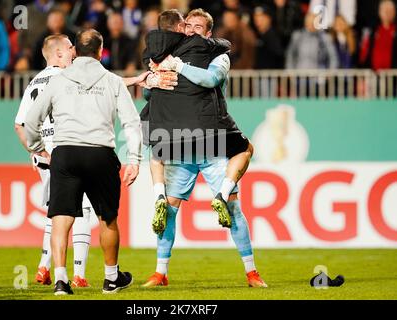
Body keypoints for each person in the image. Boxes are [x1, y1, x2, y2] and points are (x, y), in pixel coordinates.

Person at [141, 8, 266, 289]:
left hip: (211, 142)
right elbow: (151, 94)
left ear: (208, 33)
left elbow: (211, 80)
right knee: (169, 211)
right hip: (181, 144)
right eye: (188, 25)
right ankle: (160, 273)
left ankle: (252, 272)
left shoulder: (217, 55)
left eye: (198, 26)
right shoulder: (169, 55)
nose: (192, 30)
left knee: (233, 208)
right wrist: (152, 80)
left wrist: (178, 67)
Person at [24, 29, 143, 295]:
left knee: (60, 219)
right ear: (101, 51)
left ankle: (61, 280)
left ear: (75, 50)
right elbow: (132, 123)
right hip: (100, 153)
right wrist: (134, 159)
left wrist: (39, 149)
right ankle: (111, 278)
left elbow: (31, 121)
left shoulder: (58, 80)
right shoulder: (112, 81)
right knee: (107, 218)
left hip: (65, 154)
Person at [15, 34, 93, 288]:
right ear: (59, 53)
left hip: (45, 157)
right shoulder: (68, 77)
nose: (75, 51)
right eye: (71, 47)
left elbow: (20, 125)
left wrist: (36, 150)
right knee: (82, 210)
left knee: (56, 213)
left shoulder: (35, 82)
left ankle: (42, 267)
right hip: (68, 152)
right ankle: (79, 274)